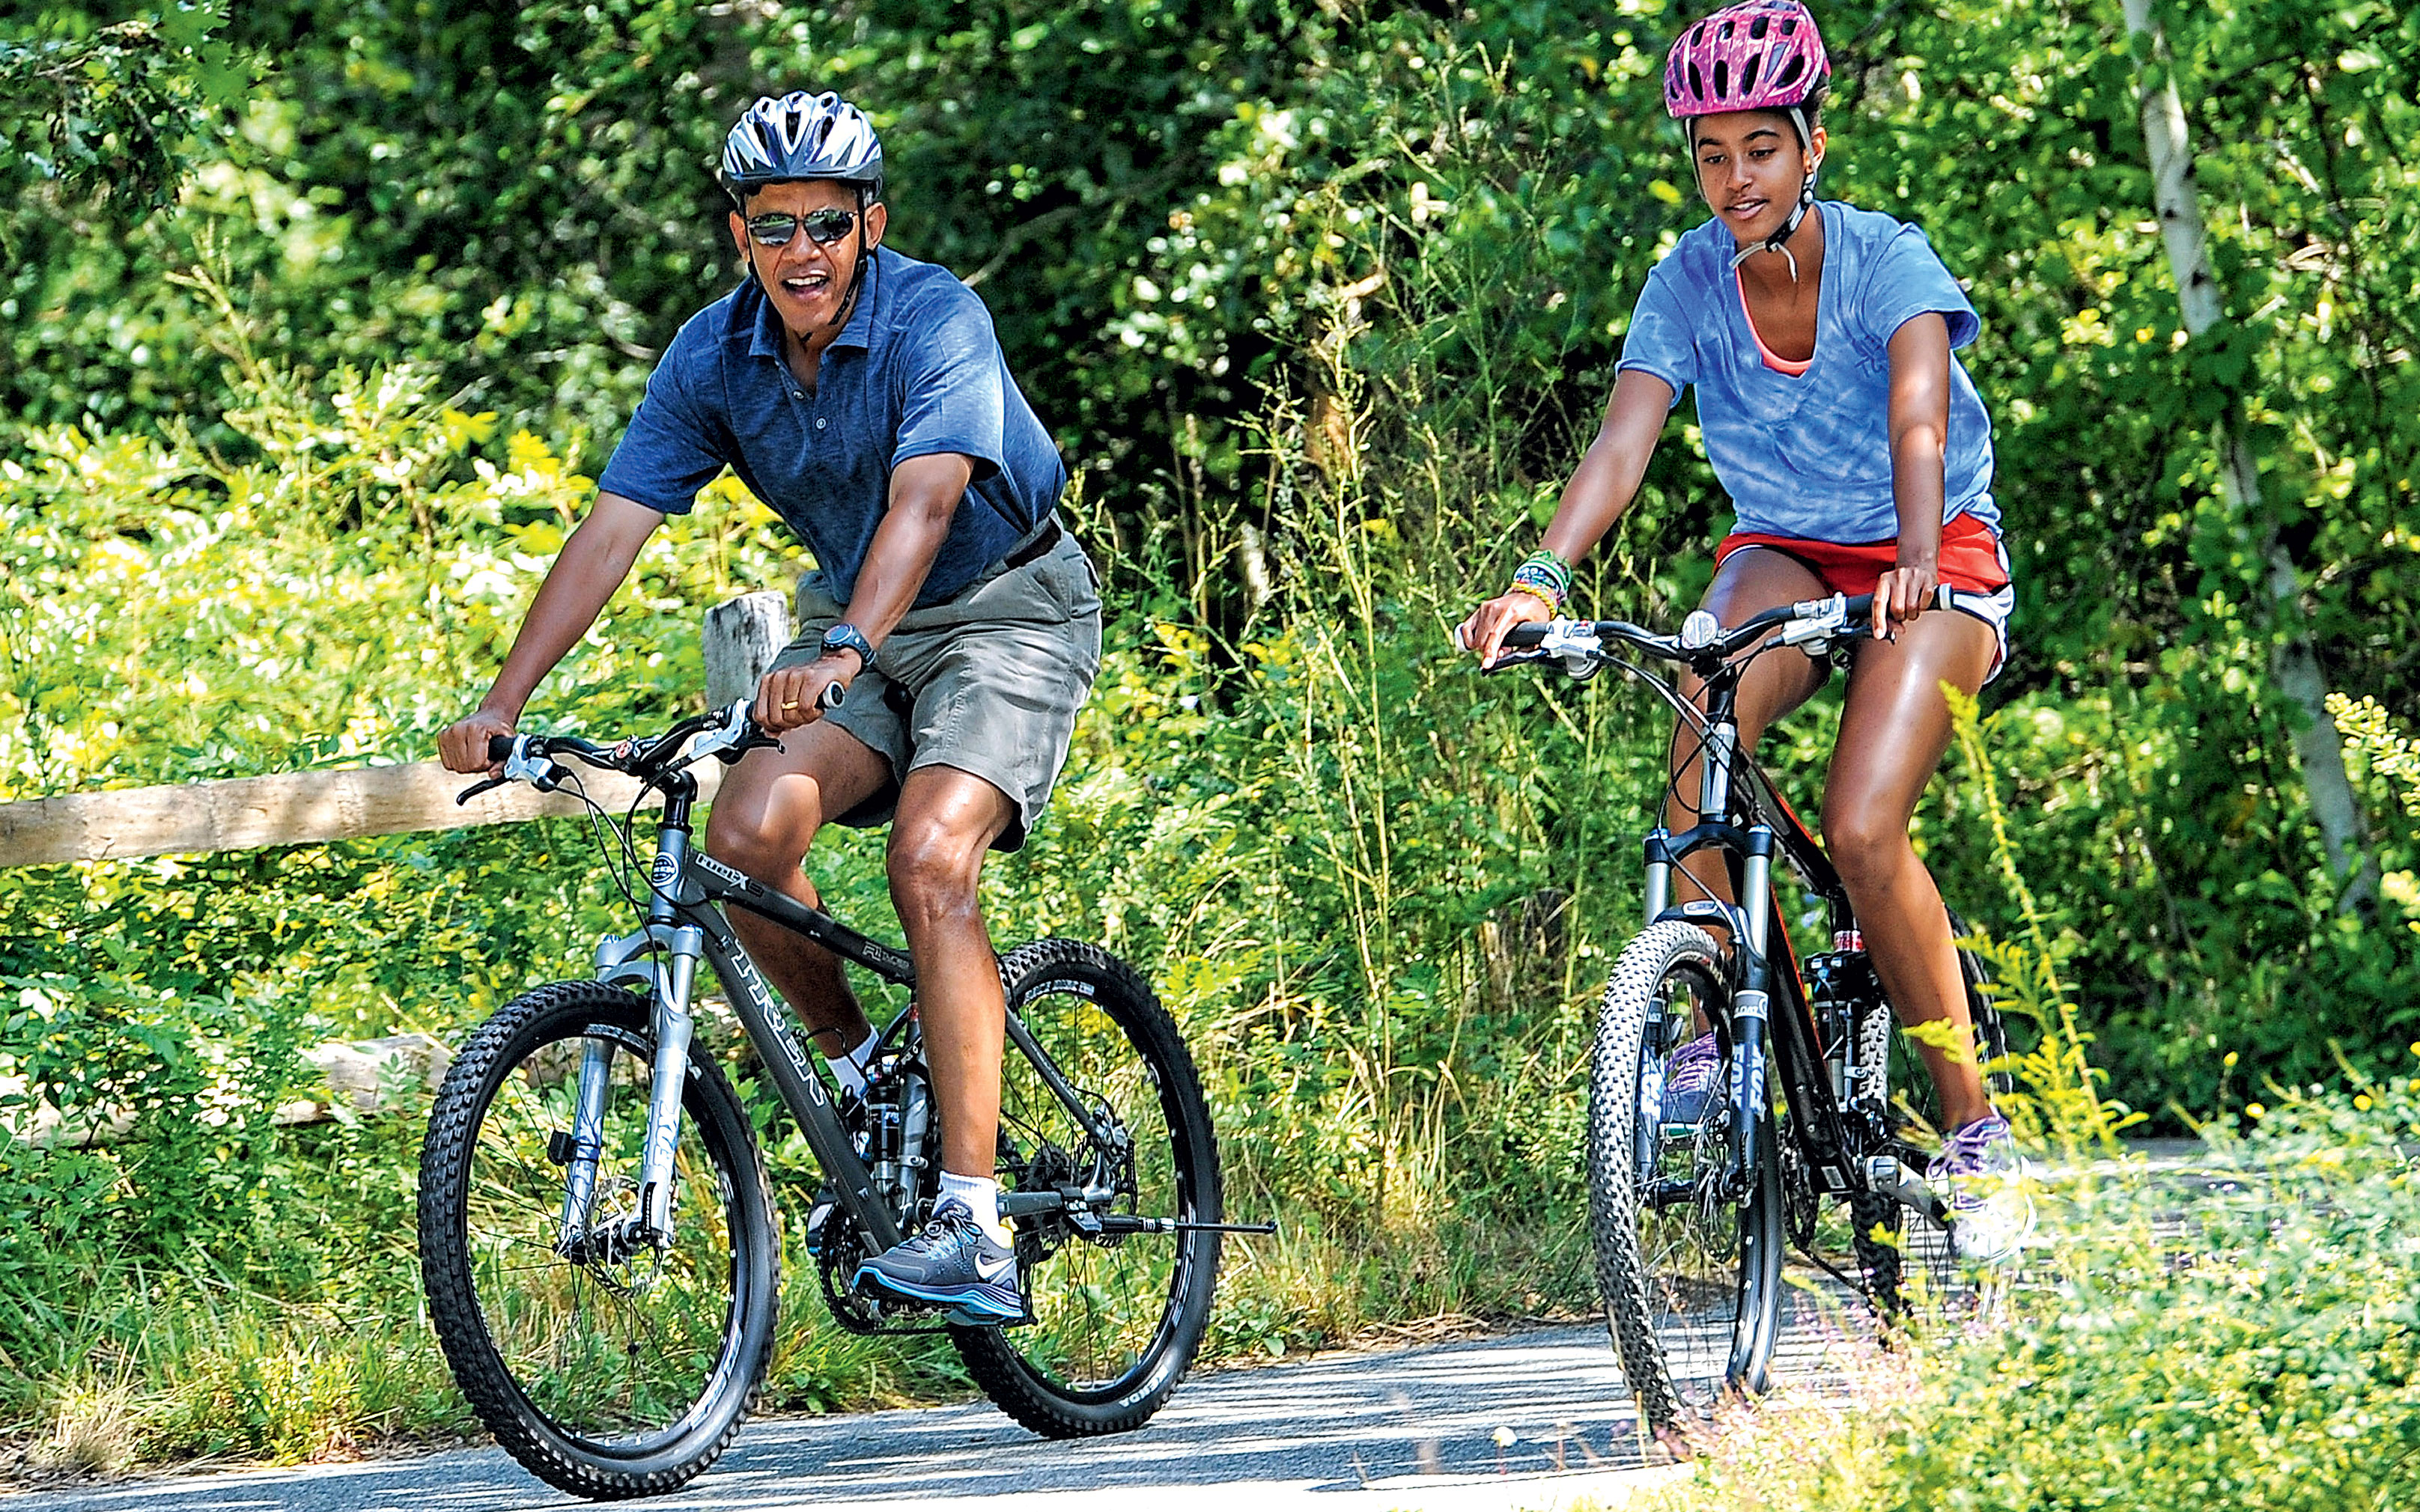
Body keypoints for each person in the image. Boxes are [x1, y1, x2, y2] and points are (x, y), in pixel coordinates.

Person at [438, 90, 1102, 1320]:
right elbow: (612, 531)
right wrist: (502, 702)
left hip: (1007, 610)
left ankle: (975, 1224)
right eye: (775, 223)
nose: (805, 250)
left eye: (829, 225)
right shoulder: (714, 353)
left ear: (870, 224)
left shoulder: (935, 316)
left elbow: (928, 505)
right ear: (740, 232)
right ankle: (860, 1074)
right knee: (743, 838)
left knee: (930, 858)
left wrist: (846, 646)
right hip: (857, 628)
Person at [1456, 1, 2025, 1255]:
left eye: (1759, 149)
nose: (1734, 180)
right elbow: (1623, 443)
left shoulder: (1889, 261)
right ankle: (1712, 1039)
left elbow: (1918, 422)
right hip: (1784, 550)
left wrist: (1921, 563)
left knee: (1863, 824)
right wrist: (1541, 579)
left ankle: (1977, 1132)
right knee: (1699, 750)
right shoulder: (1685, 280)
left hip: (1934, 554)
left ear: (1810, 144)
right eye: (1712, 156)